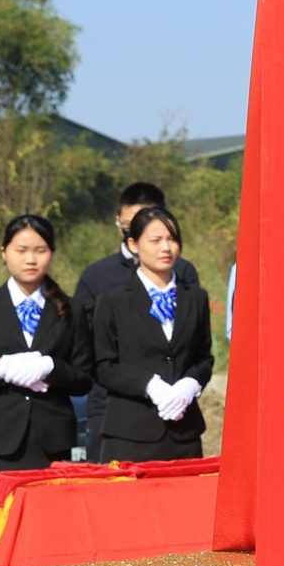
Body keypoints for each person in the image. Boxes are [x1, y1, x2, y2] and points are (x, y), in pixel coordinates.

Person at [0, 215, 90, 486]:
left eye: (40, 250)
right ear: (4, 253)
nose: (31, 259)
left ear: (52, 253)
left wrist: (51, 367)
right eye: (21, 251)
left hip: (51, 443)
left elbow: (84, 378)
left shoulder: (72, 310)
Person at [75, 183, 199, 458]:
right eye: (133, 225)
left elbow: (196, 349)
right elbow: (93, 351)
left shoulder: (185, 275)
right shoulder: (99, 277)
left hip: (178, 418)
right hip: (117, 413)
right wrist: (146, 384)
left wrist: (187, 386)